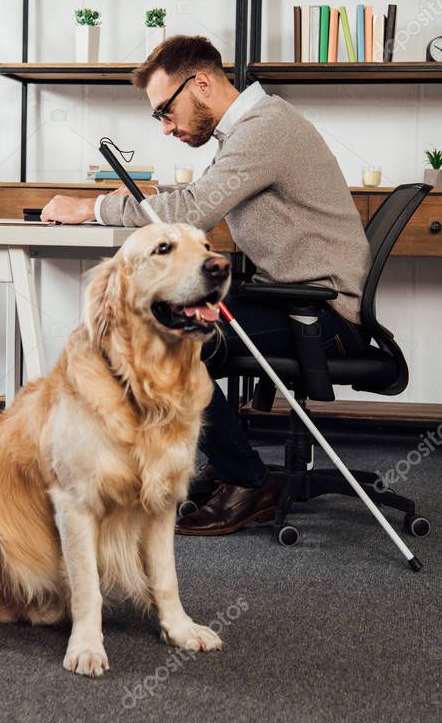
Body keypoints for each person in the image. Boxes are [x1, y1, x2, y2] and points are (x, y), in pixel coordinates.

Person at [41, 35, 371, 536]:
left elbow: (195, 212)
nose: (166, 126)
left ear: (200, 83)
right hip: (292, 299)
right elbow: (194, 198)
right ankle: (223, 463)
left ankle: (246, 480)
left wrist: (90, 207)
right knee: (149, 322)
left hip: (321, 316)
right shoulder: (248, 131)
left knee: (163, 342)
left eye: (164, 112)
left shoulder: (267, 129)